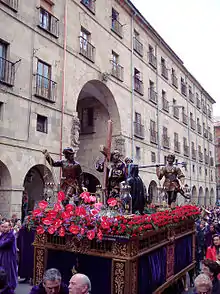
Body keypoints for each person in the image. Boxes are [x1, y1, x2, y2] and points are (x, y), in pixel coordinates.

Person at [0, 222, 17, 291]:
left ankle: (9, 285)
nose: (4, 228)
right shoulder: (3, 234)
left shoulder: (11, 235)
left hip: (8, 256)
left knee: (8, 271)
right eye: (3, 227)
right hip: (2, 255)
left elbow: (3, 244)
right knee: (2, 270)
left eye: (6, 227)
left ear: (10, 227)